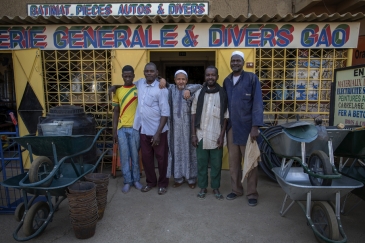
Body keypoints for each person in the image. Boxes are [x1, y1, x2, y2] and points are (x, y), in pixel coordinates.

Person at [223, 51, 264, 206]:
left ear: (242, 61)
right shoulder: (227, 80)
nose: (235, 63)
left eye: (237, 60)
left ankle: (252, 193)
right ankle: (236, 190)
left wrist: (255, 127)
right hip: (232, 128)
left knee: (251, 162)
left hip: (248, 128)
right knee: (233, 163)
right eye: (232, 60)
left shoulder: (252, 78)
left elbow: (258, 104)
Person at [191, 66, 228, 200]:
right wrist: (193, 134)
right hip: (201, 135)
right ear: (205, 77)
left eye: (213, 75)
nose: (210, 77)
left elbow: (225, 117)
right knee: (201, 163)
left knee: (216, 164)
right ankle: (203, 187)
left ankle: (216, 187)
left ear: (217, 77)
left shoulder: (223, 94)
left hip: (216, 135)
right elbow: (193, 114)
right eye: (208, 75)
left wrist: (222, 135)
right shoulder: (198, 93)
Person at [133, 62, 170, 195]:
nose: (149, 73)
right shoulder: (141, 83)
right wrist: (114, 86)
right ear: (144, 72)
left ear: (157, 73)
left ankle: (163, 184)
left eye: (152, 71)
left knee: (161, 159)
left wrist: (158, 133)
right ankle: (150, 182)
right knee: (147, 159)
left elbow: (165, 113)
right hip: (143, 130)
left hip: (159, 131)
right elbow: (127, 83)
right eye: (147, 71)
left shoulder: (162, 89)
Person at [166, 70, 202, 189]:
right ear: (175, 80)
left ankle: (191, 178)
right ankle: (178, 178)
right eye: (178, 79)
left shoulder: (191, 89)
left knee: (189, 152)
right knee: (176, 152)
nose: (180, 81)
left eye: (183, 79)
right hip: (174, 129)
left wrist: (189, 90)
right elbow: (160, 81)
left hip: (188, 129)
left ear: (186, 81)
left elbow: (201, 85)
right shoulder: (171, 89)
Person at [112, 65, 142, 193]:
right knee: (124, 156)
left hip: (135, 128)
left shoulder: (139, 89)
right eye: (125, 76)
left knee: (135, 156)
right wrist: (114, 130)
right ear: (122, 76)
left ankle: (136, 180)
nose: (128, 78)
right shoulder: (118, 92)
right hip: (122, 129)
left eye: (130, 76)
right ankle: (127, 181)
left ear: (134, 76)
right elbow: (115, 111)